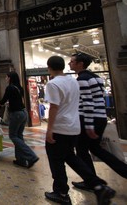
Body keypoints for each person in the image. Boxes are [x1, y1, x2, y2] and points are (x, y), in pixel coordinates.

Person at [44, 55, 115, 204]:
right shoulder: (73, 81)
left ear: (49, 67)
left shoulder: (53, 84)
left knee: (56, 160)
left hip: (60, 127)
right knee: (72, 157)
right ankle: (98, 186)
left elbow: (54, 107)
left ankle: (61, 192)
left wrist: (49, 129)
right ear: (63, 66)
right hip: (74, 127)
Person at [68, 53, 127, 190]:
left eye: (72, 61)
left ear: (80, 64)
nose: (70, 64)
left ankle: (91, 181)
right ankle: (123, 170)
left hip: (89, 118)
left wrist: (88, 124)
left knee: (81, 150)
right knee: (96, 148)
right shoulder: (96, 78)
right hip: (100, 117)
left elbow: (88, 103)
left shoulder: (82, 79)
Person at [0, 71, 39, 168]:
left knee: (13, 136)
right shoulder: (19, 87)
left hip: (16, 114)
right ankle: (20, 159)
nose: (5, 78)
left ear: (10, 78)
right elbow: (16, 100)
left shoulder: (10, 87)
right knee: (19, 136)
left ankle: (31, 156)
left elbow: (2, 101)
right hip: (23, 113)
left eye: (6, 77)